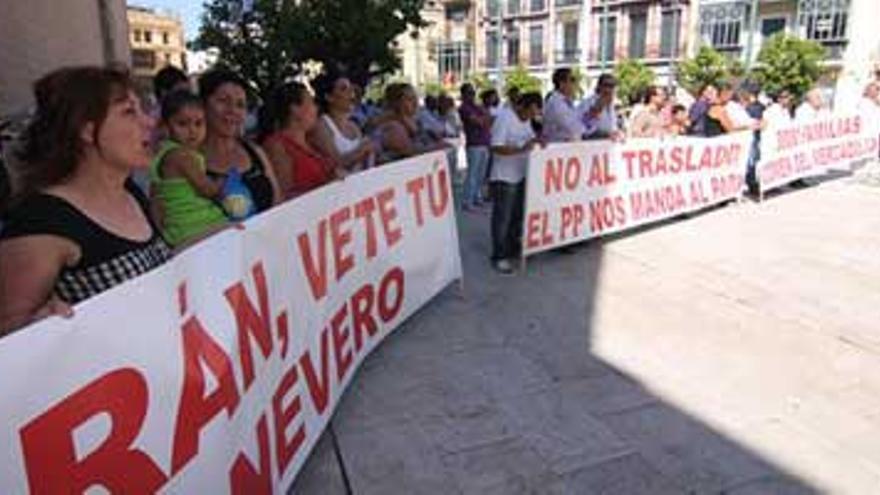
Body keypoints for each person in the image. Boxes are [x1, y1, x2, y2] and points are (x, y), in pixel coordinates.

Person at [0, 66, 173, 335]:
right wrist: (36, 327)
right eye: (129, 112)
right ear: (87, 131)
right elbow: (9, 332)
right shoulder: (42, 221)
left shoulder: (131, 193)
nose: (149, 122)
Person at [150, 90, 229, 246]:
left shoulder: (160, 154)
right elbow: (207, 189)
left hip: (178, 230)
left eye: (199, 123)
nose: (192, 131)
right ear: (166, 127)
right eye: (182, 124)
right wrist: (221, 185)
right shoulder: (182, 156)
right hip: (197, 226)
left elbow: (155, 200)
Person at [199, 69, 280, 214]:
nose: (232, 110)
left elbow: (277, 202)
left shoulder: (256, 152)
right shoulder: (185, 159)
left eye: (240, 105)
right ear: (203, 104)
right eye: (223, 101)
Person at [489, 92, 543, 274]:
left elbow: (528, 137)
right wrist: (521, 149)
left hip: (520, 175)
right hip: (504, 177)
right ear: (521, 106)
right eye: (529, 113)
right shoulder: (504, 118)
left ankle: (511, 248)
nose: (529, 117)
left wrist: (537, 140)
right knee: (502, 219)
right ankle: (499, 256)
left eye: (533, 114)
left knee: (517, 216)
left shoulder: (526, 119)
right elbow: (495, 146)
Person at [262, 82, 337, 199]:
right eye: (312, 102)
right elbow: (282, 197)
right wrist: (326, 188)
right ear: (295, 109)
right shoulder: (277, 146)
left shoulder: (312, 143)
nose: (316, 108)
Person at [310, 72, 376, 173]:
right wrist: (362, 150)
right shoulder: (322, 126)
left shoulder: (354, 126)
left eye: (350, 88)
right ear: (329, 97)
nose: (351, 92)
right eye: (343, 89)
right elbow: (334, 163)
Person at [374, 83, 449, 165]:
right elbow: (409, 152)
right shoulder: (392, 126)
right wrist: (437, 148)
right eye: (409, 99)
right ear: (397, 103)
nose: (415, 103)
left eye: (415, 98)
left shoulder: (416, 121)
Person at [459, 83, 493, 211]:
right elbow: (478, 122)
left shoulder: (476, 107)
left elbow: (488, 120)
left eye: (473, 93)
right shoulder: (464, 108)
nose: (472, 95)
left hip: (484, 142)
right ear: (463, 94)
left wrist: (484, 118)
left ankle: (477, 197)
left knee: (481, 174)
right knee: (472, 174)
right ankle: (467, 201)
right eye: (469, 93)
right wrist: (484, 118)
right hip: (474, 143)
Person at [542, 68, 586, 143]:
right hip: (556, 149)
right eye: (572, 80)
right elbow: (573, 129)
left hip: (565, 148)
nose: (575, 84)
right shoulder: (556, 103)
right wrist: (589, 119)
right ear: (562, 83)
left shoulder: (567, 102)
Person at [579, 74, 623, 140]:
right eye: (606, 85)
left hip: (608, 144)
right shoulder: (588, 102)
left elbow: (612, 127)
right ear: (599, 86)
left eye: (612, 86)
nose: (608, 89)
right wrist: (596, 109)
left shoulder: (612, 105)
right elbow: (583, 127)